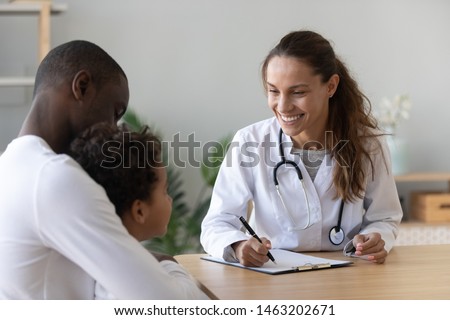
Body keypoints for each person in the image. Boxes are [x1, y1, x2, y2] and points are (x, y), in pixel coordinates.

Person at [0, 40, 206, 299]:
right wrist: (170, 266)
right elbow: (167, 304)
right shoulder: (54, 178)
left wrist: (139, 259)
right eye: (115, 112)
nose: (113, 128)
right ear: (82, 86)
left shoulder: (12, 166)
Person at [200, 30, 403, 267]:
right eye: (273, 91)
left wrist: (376, 238)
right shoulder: (250, 141)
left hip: (349, 277)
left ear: (331, 86)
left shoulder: (369, 143)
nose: (283, 106)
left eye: (297, 92)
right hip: (275, 278)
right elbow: (217, 223)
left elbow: (385, 217)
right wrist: (238, 245)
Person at [69, 122, 207, 299]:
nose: (169, 199)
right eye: (165, 191)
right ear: (139, 211)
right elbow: (192, 299)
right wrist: (170, 264)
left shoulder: (100, 269)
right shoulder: (143, 283)